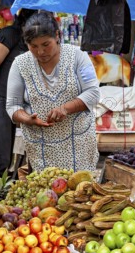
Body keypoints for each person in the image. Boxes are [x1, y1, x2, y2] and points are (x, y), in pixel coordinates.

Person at [6, 11, 100, 172]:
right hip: (41, 148)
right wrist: (27, 119)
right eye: (33, 46)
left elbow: (93, 93)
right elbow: (12, 106)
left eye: (45, 44)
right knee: (46, 193)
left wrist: (65, 109)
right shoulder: (20, 64)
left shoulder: (78, 56)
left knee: (80, 192)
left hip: (79, 144)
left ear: (57, 35)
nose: (40, 52)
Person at [0, 8, 37, 176]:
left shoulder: (32, 42)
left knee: (9, 156)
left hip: (16, 104)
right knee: (1, 158)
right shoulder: (9, 34)